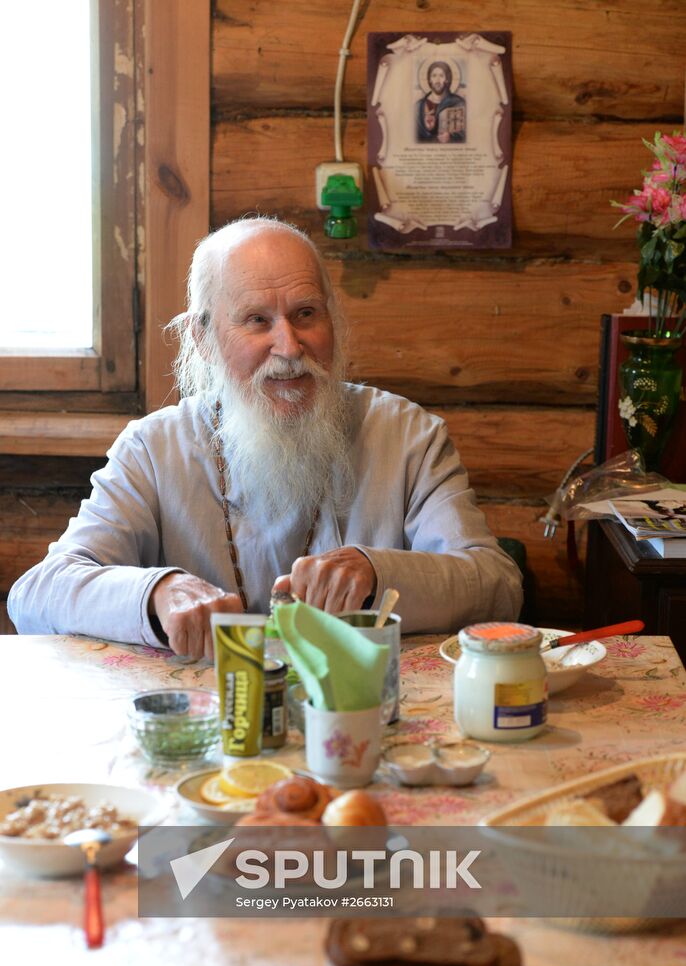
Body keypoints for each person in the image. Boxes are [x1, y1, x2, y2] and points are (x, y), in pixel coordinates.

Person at [8, 218, 522, 658]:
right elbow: (36, 595)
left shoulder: (407, 436)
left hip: (358, 720)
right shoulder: (153, 449)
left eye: (305, 314)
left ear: (332, 321)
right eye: (257, 320)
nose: (290, 346)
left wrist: (374, 571)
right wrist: (157, 591)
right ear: (203, 339)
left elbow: (497, 585)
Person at [416, 61, 466, 144]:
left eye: (441, 76)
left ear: (447, 79)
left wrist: (451, 137)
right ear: (429, 79)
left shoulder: (459, 103)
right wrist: (428, 128)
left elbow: (468, 134)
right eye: (434, 76)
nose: (437, 80)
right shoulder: (418, 107)